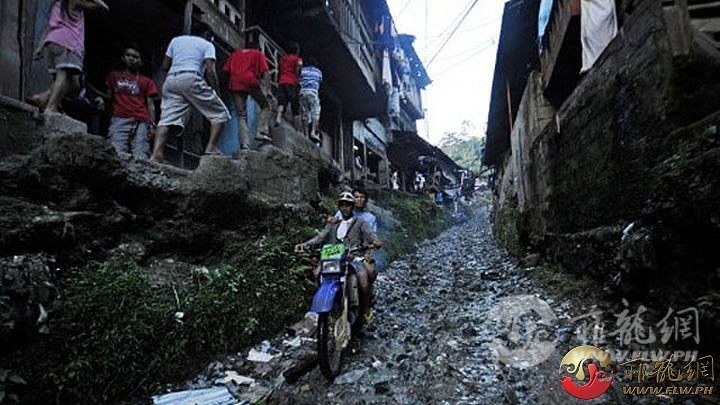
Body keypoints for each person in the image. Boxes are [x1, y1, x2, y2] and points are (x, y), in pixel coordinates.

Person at [294, 192, 382, 324]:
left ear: (352, 207)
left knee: (363, 281)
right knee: (317, 273)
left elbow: (370, 234)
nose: (345, 207)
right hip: (334, 258)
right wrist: (304, 245)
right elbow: (320, 237)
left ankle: (365, 308)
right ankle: (326, 304)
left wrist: (375, 241)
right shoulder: (333, 223)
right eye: (342, 205)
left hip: (354, 257)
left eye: (348, 205)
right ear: (339, 207)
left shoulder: (360, 222)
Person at [150, 28, 230, 163]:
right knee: (221, 114)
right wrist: (216, 92)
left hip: (171, 80)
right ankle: (211, 148)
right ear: (208, 37)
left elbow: (164, 66)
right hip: (191, 77)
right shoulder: (208, 45)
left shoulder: (176, 40)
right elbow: (210, 71)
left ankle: (156, 154)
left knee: (166, 120)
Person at [28, 0, 110, 115]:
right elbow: (98, 7)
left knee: (74, 84)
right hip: (67, 42)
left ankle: (43, 97)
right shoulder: (75, 1)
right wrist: (100, 1)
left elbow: (48, 27)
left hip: (52, 41)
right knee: (62, 76)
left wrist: (40, 46)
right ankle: (51, 107)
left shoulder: (58, 4)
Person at [102, 46, 158, 159]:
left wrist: (152, 125)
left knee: (141, 154)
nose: (131, 58)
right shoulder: (113, 76)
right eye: (128, 55)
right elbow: (108, 97)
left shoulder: (147, 81)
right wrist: (100, 99)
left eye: (135, 57)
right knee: (116, 151)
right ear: (123, 58)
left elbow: (151, 105)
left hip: (141, 120)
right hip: (119, 118)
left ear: (141, 62)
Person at [223, 40, 272, 150]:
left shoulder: (234, 54)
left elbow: (226, 70)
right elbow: (266, 72)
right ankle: (261, 132)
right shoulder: (257, 53)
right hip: (250, 81)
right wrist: (268, 90)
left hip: (235, 83)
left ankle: (244, 144)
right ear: (256, 48)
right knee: (265, 105)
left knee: (241, 115)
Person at [275, 42, 302, 129]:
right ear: (297, 51)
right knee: (295, 106)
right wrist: (298, 79)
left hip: (282, 82)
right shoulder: (298, 59)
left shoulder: (283, 58)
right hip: (292, 83)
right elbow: (298, 69)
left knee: (282, 102)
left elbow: (279, 69)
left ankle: (278, 118)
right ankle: (297, 128)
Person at [299, 57, 323, 142]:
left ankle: (305, 134)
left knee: (305, 114)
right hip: (313, 93)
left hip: (302, 92)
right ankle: (313, 132)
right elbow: (320, 82)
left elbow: (299, 78)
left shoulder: (302, 70)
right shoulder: (318, 72)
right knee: (315, 113)